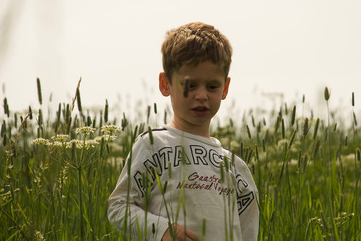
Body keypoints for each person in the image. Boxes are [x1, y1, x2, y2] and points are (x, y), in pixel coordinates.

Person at [107, 22, 259, 241]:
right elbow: (119, 207)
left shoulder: (236, 168)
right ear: (165, 83)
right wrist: (162, 230)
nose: (201, 95)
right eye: (190, 85)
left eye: (212, 87)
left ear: (225, 88)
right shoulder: (153, 146)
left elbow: (248, 232)